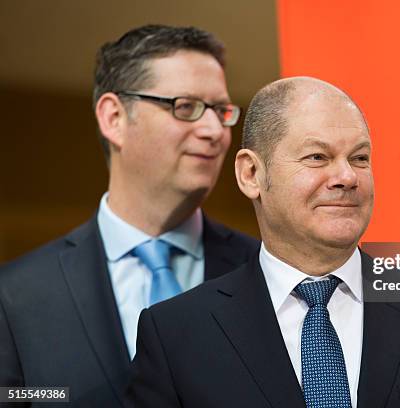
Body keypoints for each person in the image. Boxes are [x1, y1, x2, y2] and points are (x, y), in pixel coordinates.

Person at [124, 76, 400, 408]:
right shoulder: (177, 334)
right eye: (317, 157)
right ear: (251, 174)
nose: (347, 176)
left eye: (360, 158)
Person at [0, 24, 258, 406]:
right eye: (185, 107)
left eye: (221, 111)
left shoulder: (264, 271)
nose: (214, 131)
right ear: (114, 118)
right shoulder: (17, 295)